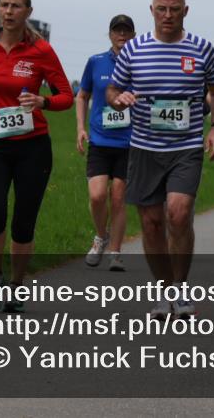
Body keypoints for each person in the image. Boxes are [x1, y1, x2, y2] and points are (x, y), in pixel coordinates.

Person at [106, 0, 214, 319]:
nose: (168, 15)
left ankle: (181, 287)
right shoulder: (134, 49)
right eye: (162, 9)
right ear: (152, 10)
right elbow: (113, 88)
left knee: (178, 211)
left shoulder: (201, 48)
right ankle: (162, 291)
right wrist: (119, 98)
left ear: (185, 11)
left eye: (175, 9)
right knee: (151, 222)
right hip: (144, 146)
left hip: (185, 146)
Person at [0, 0, 73, 312]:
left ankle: (16, 286)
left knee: (23, 223)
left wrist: (42, 101)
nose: (9, 11)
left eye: (16, 6)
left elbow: (66, 96)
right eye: (4, 5)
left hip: (33, 147)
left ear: (28, 12)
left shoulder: (41, 51)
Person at [76, 14, 136, 271]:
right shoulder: (96, 62)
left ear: (133, 35)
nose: (121, 35)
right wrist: (80, 127)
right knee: (98, 195)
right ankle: (101, 237)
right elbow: (82, 95)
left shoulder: (140, 62)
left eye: (126, 31)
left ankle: (115, 252)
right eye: (117, 31)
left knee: (119, 197)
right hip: (100, 139)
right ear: (110, 34)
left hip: (129, 142)